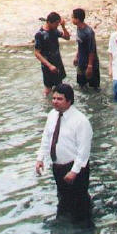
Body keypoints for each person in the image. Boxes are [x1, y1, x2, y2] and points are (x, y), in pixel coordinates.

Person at [35, 83, 93, 225]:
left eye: (59, 99)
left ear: (69, 101)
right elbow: (46, 138)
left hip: (76, 168)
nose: (55, 101)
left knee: (80, 202)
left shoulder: (80, 121)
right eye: (53, 98)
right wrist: (40, 158)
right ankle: (63, 227)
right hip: (58, 166)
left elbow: (84, 151)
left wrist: (74, 171)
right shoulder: (52, 115)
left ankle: (84, 229)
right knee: (63, 199)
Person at [34, 12, 70, 96]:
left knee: (59, 86)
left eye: (58, 23)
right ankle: (46, 105)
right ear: (49, 22)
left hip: (57, 63)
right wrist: (49, 65)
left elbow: (67, 37)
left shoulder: (54, 30)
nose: (57, 25)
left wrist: (63, 26)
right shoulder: (40, 34)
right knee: (48, 88)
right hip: (47, 66)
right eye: (56, 23)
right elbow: (37, 53)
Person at [72, 8, 100, 89]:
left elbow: (92, 50)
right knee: (81, 85)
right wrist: (76, 56)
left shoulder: (89, 32)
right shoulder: (78, 28)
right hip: (81, 62)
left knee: (94, 87)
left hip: (91, 64)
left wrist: (90, 66)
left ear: (77, 19)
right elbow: (80, 44)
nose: (71, 19)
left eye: (72, 17)